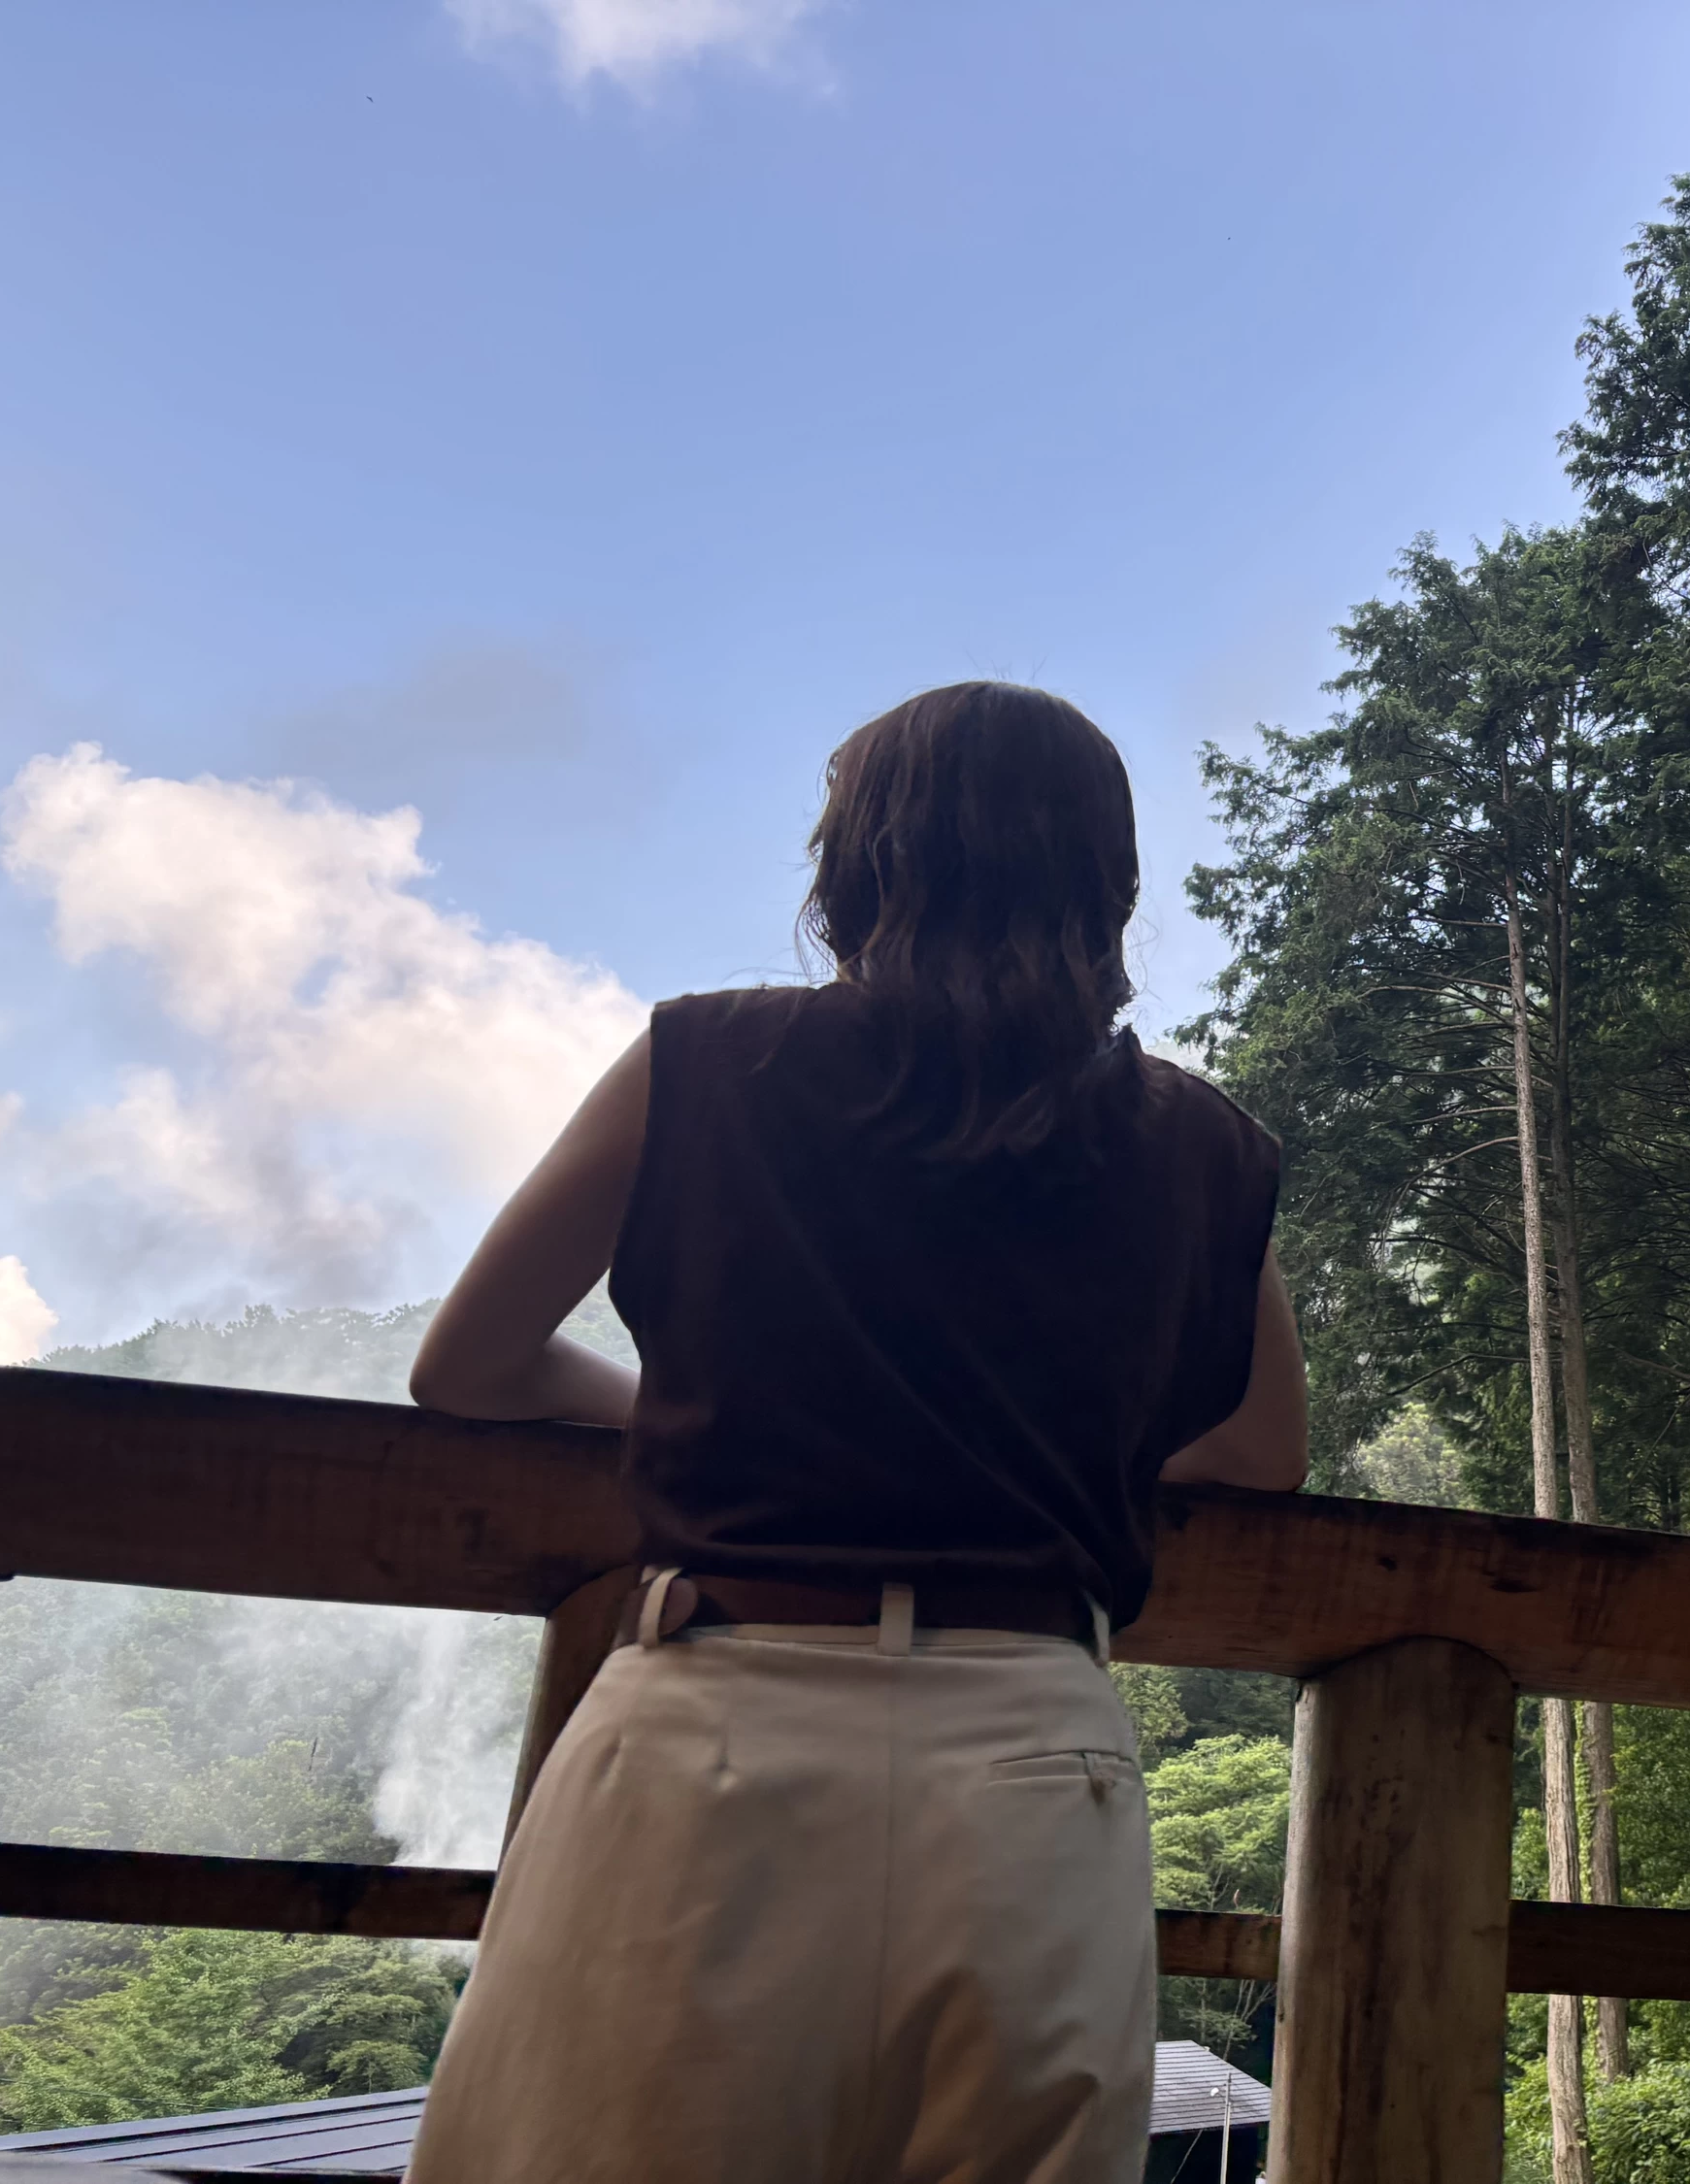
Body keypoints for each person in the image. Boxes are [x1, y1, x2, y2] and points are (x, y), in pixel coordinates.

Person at [402, 681, 1305, 2184]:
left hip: (713, 1744)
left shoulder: (701, 1061)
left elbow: (469, 1363)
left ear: (862, 862)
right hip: (1037, 1760)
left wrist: (702, 1407)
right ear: (1107, 883)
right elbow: (1261, 1449)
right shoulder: (1200, 1141)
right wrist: (1035, 1450)